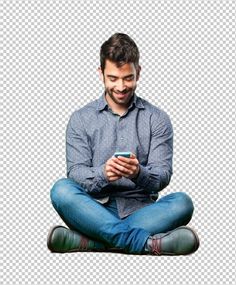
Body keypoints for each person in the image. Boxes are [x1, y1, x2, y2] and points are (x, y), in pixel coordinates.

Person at [47, 33, 200, 255]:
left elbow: (162, 175)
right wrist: (104, 174)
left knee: (182, 203)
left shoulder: (157, 118)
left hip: (142, 212)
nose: (121, 86)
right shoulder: (80, 119)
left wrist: (138, 172)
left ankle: (93, 241)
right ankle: (146, 244)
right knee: (61, 189)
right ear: (101, 74)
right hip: (93, 209)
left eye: (128, 78)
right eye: (113, 78)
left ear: (138, 72)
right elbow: (76, 173)